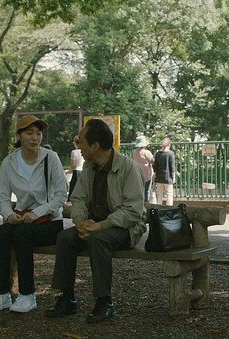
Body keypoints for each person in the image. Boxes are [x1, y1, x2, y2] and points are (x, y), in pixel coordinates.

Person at [44, 118, 146, 324]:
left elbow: (133, 211)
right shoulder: (89, 168)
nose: (78, 145)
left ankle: (104, 301)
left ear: (95, 146)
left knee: (98, 240)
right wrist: (80, 222)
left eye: (81, 141)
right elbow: (78, 198)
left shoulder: (129, 168)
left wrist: (101, 225)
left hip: (125, 228)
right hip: (94, 224)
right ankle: (67, 298)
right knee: (65, 237)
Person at [0, 115, 68, 313]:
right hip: (22, 219)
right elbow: (4, 198)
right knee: (1, 233)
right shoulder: (9, 162)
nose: (34, 137)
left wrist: (38, 212)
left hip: (50, 222)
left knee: (21, 234)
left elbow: (61, 196)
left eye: (38, 133)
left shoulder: (50, 158)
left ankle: (27, 295)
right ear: (19, 135)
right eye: (29, 133)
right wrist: (9, 215)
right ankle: (1, 294)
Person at [152, 137, 177, 206]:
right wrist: (173, 177)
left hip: (159, 177)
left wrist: (155, 175)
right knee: (169, 195)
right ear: (169, 145)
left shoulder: (157, 154)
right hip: (168, 178)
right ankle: (169, 209)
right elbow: (172, 167)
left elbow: (155, 166)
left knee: (159, 195)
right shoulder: (171, 154)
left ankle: (158, 208)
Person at [132, 136, 155, 202]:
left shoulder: (134, 152)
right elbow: (152, 161)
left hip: (137, 173)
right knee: (147, 190)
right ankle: (146, 203)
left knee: (139, 190)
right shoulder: (147, 152)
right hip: (147, 173)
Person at [68, 136, 84, 201]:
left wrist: (68, 172)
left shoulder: (74, 152)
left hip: (76, 172)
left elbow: (73, 165)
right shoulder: (83, 151)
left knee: (73, 188)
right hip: (82, 171)